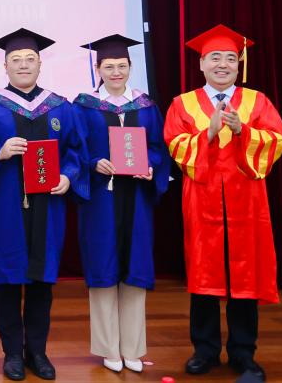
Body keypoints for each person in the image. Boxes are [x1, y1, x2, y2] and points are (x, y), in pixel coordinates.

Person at [164, 25, 282, 381]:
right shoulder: (183, 103)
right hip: (202, 200)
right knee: (204, 274)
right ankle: (204, 351)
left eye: (231, 59)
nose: (223, 64)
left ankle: (243, 352)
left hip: (246, 201)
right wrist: (208, 132)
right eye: (215, 58)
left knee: (244, 275)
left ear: (239, 65)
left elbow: (278, 141)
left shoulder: (257, 101)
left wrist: (241, 131)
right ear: (201, 64)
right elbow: (175, 145)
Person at [0, 28, 88, 381]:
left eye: (29, 59)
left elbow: (77, 151)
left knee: (41, 281)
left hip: (49, 206)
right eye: (15, 60)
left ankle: (37, 352)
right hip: (7, 206)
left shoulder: (60, 107)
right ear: (4, 66)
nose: (23, 65)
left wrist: (68, 176)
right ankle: (12, 354)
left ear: (40, 63)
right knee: (8, 279)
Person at [72, 35, 170, 374]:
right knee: (103, 266)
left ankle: (133, 348)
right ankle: (107, 347)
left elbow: (158, 147)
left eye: (122, 66)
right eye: (109, 66)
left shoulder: (146, 106)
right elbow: (75, 149)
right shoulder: (83, 107)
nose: (116, 72)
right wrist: (93, 163)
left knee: (135, 266)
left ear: (130, 67)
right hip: (101, 199)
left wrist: (151, 166)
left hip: (137, 198)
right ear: (97, 68)